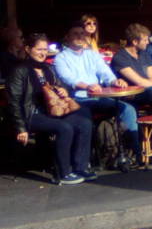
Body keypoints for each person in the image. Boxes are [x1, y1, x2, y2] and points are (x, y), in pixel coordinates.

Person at [9, 33, 96, 184]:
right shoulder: (20, 71)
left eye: (45, 49)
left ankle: (80, 167)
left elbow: (60, 85)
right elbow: (14, 101)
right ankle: (63, 172)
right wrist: (20, 127)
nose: (43, 53)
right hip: (31, 113)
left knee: (84, 123)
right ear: (28, 49)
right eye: (39, 49)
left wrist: (63, 90)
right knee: (64, 128)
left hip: (52, 110)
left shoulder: (48, 68)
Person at [54, 26, 138, 161]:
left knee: (128, 109)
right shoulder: (61, 58)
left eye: (82, 34)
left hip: (98, 97)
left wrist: (114, 81)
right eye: (75, 34)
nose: (79, 37)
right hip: (77, 99)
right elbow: (68, 79)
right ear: (67, 37)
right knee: (85, 121)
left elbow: (104, 71)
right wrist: (87, 86)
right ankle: (84, 162)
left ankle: (134, 152)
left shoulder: (92, 54)